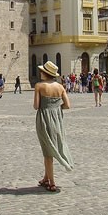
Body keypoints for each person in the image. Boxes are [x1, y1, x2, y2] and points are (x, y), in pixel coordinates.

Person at [34, 61, 73, 192]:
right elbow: (67, 105)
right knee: (52, 145)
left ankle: (51, 182)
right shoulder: (61, 87)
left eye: (41, 71)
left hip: (44, 118)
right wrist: (56, 108)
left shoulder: (39, 86)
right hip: (57, 119)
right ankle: (46, 177)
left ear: (45, 74)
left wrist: (48, 108)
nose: (40, 73)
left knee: (47, 152)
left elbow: (36, 106)